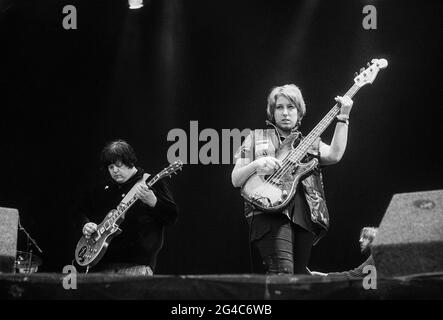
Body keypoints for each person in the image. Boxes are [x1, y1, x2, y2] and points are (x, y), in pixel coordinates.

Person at [231, 84, 353, 275]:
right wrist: (256, 165)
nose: (285, 113)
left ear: (299, 111)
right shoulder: (257, 137)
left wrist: (343, 117)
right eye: (279, 107)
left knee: (298, 279)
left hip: (304, 215)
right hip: (268, 212)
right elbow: (236, 179)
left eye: (291, 107)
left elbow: (335, 155)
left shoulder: (310, 142)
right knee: (283, 273)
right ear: (272, 112)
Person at [76, 139, 178, 275]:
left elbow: (172, 216)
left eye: (119, 165)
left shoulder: (151, 182)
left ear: (130, 162)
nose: (114, 171)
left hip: (136, 265)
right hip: (100, 264)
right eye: (110, 167)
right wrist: (85, 224)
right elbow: (79, 212)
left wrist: (153, 201)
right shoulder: (103, 188)